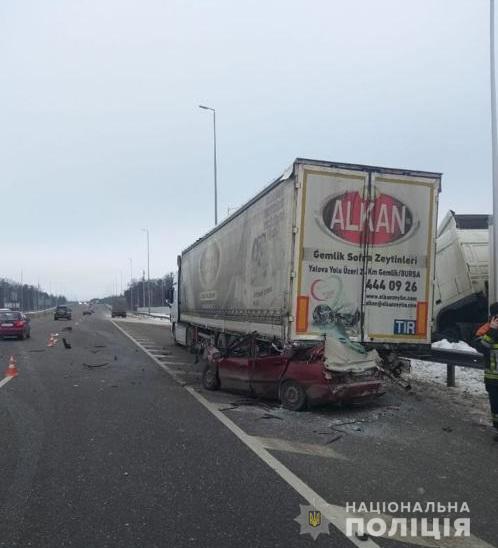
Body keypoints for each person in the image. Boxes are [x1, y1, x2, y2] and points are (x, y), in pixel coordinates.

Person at [477, 302, 498, 436]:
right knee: (496, 408)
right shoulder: (487, 329)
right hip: (493, 379)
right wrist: (493, 330)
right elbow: (481, 346)